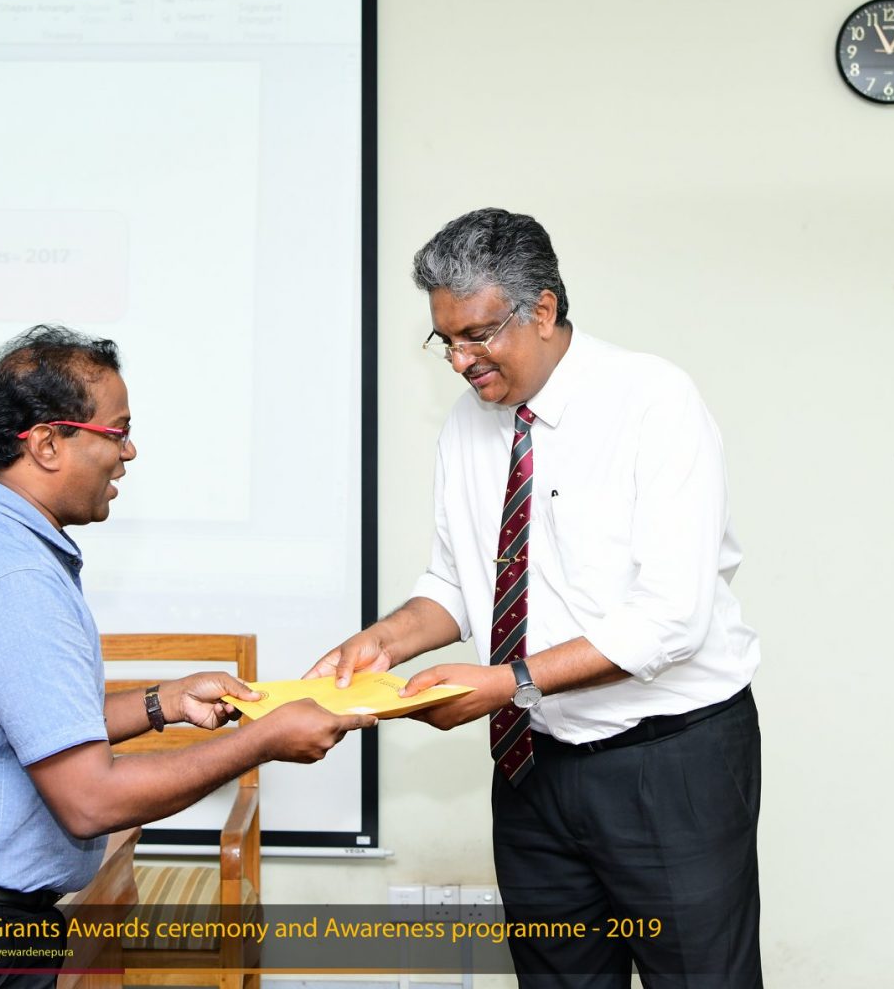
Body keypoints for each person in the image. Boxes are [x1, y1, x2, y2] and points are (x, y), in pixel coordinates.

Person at [307, 209, 763, 987]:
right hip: (533, 766)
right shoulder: (467, 424)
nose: (460, 361)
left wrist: (505, 683)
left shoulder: (653, 401)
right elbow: (458, 584)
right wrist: (381, 641)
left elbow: (670, 619)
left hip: (668, 763)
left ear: (543, 310)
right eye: (445, 340)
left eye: (477, 335)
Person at [0, 325, 374, 988]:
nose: (128, 452)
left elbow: (28, 726)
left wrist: (163, 703)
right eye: (117, 432)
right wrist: (261, 742)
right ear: (46, 443)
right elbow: (90, 802)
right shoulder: (14, 579)